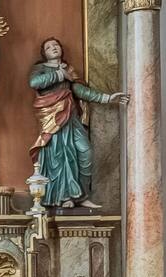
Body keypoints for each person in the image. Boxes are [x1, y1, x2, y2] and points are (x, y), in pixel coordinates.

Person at [30, 38, 128, 209]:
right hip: (53, 118)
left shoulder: (69, 70)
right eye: (48, 47)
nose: (53, 48)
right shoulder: (41, 68)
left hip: (71, 117)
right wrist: (60, 74)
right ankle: (65, 196)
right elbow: (34, 83)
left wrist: (107, 98)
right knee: (61, 155)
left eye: (56, 45)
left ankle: (82, 195)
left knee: (86, 152)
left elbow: (79, 90)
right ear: (44, 53)